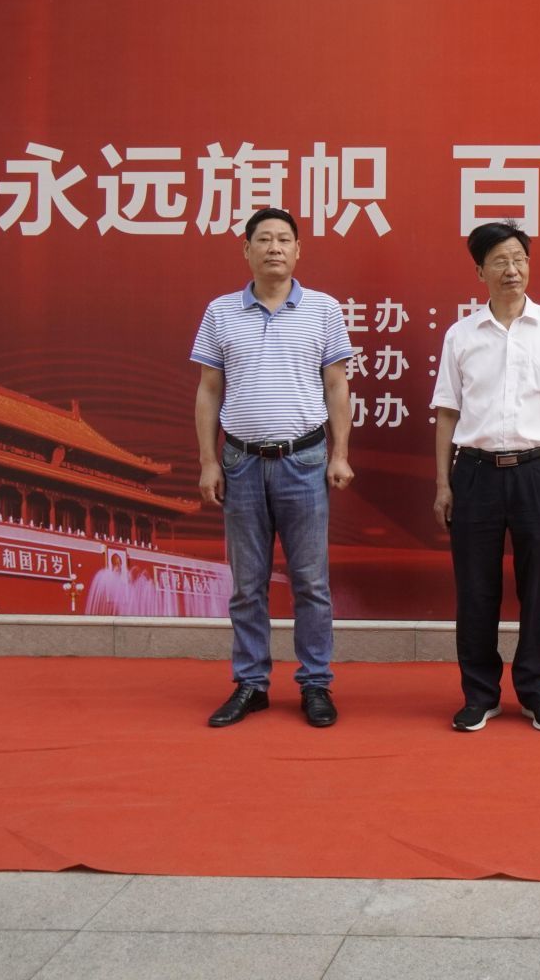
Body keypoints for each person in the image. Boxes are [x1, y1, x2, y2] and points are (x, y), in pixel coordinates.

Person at [191, 207, 355, 729]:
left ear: (298, 250)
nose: (274, 248)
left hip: (303, 461)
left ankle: (315, 683)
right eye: (264, 239)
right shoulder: (220, 312)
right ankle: (251, 684)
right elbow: (208, 391)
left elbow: (337, 386)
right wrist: (209, 462)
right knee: (247, 585)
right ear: (246, 250)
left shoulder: (323, 309)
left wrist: (340, 453)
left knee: (310, 582)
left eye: (284, 239)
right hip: (240, 462)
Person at [431, 222, 540, 732]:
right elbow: (447, 413)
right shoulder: (461, 335)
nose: (512, 269)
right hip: (475, 472)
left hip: (538, 471)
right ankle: (480, 694)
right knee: (475, 590)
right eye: (499, 260)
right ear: (480, 271)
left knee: (538, 589)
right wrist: (443, 484)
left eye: (519, 258)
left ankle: (537, 693)